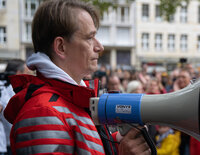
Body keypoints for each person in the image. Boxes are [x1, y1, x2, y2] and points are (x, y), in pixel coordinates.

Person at [3, 0, 150, 154]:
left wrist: (116, 143)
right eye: (89, 38)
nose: (99, 47)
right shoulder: (43, 113)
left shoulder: (71, 102)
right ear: (61, 47)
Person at [0, 59, 32, 155]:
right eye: (27, 73)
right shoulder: (5, 88)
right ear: (19, 73)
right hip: (7, 144)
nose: (30, 76)